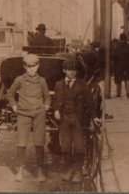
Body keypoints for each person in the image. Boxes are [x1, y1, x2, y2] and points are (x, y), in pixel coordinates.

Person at [6, 53, 51, 182]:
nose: (32, 69)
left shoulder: (42, 81)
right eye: (29, 66)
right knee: (21, 143)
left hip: (39, 114)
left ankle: (40, 170)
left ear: (38, 65)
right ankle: (20, 170)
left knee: (39, 143)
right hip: (24, 114)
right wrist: (15, 106)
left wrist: (46, 106)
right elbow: (10, 94)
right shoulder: (19, 80)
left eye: (34, 66)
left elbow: (47, 96)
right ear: (24, 66)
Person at [53, 55, 92, 183]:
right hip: (64, 119)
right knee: (65, 146)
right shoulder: (58, 84)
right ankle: (69, 170)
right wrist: (56, 110)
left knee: (79, 146)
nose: (72, 72)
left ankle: (78, 171)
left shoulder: (83, 85)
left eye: (74, 70)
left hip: (78, 119)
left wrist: (95, 117)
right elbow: (55, 100)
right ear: (64, 70)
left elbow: (90, 103)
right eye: (69, 69)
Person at [112, 33, 129, 98]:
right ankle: (128, 93)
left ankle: (118, 93)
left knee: (118, 80)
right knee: (128, 79)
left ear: (120, 38)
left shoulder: (117, 46)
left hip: (119, 65)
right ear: (126, 38)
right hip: (128, 65)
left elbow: (114, 57)